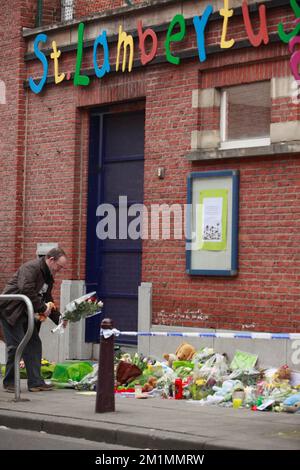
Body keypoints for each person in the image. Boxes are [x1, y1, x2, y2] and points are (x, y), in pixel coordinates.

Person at [0, 247, 68, 392]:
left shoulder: (48, 275)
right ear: (51, 260)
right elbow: (26, 289)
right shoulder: (31, 268)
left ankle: (36, 382)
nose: (60, 270)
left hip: (27, 313)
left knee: (34, 344)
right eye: (59, 266)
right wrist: (42, 308)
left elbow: (47, 298)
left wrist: (60, 318)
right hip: (12, 311)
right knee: (16, 346)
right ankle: (9, 382)